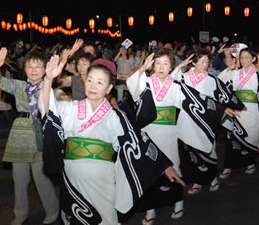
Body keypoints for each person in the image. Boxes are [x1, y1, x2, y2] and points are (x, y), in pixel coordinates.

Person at [39, 55, 184, 225]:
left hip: (103, 179)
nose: (93, 86)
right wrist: (48, 79)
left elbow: (138, 140)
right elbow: (48, 110)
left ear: (108, 88)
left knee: (106, 220)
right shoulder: (71, 108)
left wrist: (163, 164)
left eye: (100, 82)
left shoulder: (116, 117)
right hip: (72, 177)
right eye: (90, 80)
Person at [126, 48, 228, 224]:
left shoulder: (175, 85)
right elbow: (132, 85)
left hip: (168, 132)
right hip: (148, 132)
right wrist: (142, 69)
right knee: (149, 170)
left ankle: (178, 202)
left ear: (171, 66)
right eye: (157, 63)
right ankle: (150, 210)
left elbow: (195, 101)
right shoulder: (146, 81)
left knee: (173, 166)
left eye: (165, 63)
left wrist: (222, 108)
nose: (161, 67)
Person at [0, 47, 59, 225]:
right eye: (30, 66)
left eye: (38, 66)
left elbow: (60, 100)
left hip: (41, 133)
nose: (34, 70)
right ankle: (20, 213)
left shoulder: (49, 87)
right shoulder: (19, 86)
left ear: (45, 69)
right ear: (25, 69)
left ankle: (52, 210)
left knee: (40, 176)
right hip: (20, 133)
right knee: (19, 178)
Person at [171, 48, 245, 195]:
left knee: (209, 150)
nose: (205, 65)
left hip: (206, 120)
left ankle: (212, 178)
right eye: (202, 61)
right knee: (192, 151)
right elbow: (171, 82)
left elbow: (219, 98)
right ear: (193, 62)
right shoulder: (184, 77)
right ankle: (198, 181)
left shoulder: (211, 79)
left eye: (207, 62)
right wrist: (179, 67)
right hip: (188, 118)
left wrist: (224, 109)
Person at [218, 48, 259, 178]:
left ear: (253, 59)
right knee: (232, 140)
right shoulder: (234, 73)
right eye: (242, 57)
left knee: (251, 138)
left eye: (247, 57)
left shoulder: (258, 75)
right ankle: (228, 166)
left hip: (252, 111)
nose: (244, 60)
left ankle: (250, 163)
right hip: (236, 111)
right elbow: (222, 84)